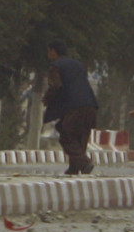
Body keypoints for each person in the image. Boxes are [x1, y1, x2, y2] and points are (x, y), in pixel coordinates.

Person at [42, 40, 99, 175]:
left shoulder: (55, 66)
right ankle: (75, 167)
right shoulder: (78, 65)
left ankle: (84, 162)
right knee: (80, 136)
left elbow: (56, 86)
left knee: (66, 135)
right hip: (91, 104)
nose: (48, 54)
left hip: (74, 106)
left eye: (49, 51)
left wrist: (47, 98)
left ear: (53, 52)